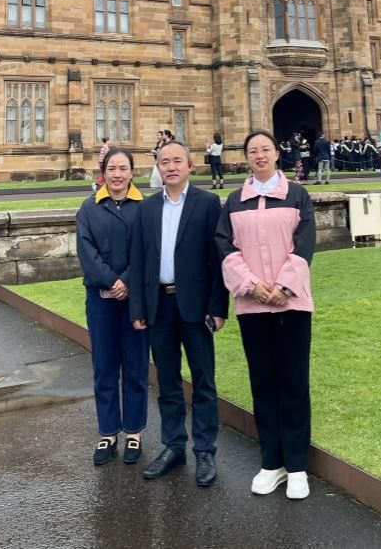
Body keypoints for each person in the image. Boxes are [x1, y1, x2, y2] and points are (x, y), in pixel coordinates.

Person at [216, 130, 315, 501]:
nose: (259, 155)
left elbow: (304, 245)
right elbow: (224, 247)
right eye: (253, 151)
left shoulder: (297, 195)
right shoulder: (234, 201)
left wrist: (284, 287)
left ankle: (297, 466)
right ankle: (272, 462)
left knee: (293, 382)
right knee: (263, 382)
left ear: (277, 154)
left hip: (292, 304)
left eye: (265, 149)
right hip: (252, 304)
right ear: (246, 157)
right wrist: (251, 285)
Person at [130, 140, 228, 487]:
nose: (170, 167)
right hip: (159, 304)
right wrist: (138, 307)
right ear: (158, 167)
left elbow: (218, 259)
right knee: (168, 382)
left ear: (190, 165)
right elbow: (139, 260)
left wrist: (218, 307)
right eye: (164, 162)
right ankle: (174, 446)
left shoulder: (207, 203)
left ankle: (205, 451)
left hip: (196, 305)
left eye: (176, 161)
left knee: (204, 380)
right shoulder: (147, 208)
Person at [76, 148, 149, 466]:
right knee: (104, 366)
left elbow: (149, 250)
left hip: (136, 300)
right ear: (103, 172)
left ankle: (134, 431)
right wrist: (111, 281)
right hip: (100, 299)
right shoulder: (89, 207)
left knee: (136, 366)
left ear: (132, 172)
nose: (117, 174)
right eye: (112, 169)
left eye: (123, 168)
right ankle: (108, 432)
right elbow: (86, 250)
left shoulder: (145, 207)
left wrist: (127, 281)